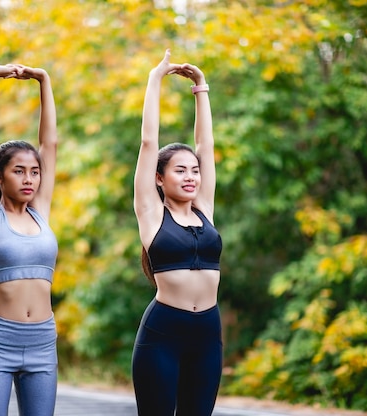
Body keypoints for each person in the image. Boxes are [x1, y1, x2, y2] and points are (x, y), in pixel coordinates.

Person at [131, 49, 223, 416]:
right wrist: (156, 79)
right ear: (159, 177)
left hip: (207, 336)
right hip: (163, 335)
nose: (190, 176)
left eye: (194, 171)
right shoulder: (152, 214)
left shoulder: (205, 209)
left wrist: (201, 89)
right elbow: (148, 143)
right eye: (180, 171)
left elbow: (206, 148)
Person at [0, 63, 59, 416]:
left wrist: (44, 80)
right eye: (18, 171)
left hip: (42, 341)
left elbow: (49, 143)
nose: (29, 179)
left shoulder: (41, 212)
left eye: (35, 172)